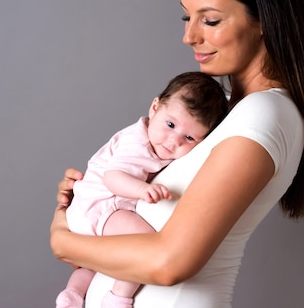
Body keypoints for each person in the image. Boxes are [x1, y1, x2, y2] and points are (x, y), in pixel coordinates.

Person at [50, 0, 304, 307]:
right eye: (187, 17)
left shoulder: (265, 115)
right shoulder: (224, 113)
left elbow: (170, 263)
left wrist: (64, 240)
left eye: (210, 20)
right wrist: (92, 193)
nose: (188, 36)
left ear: (264, 19)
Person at [55, 71, 228, 308]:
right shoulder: (138, 143)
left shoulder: (157, 142)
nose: (173, 141)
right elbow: (113, 177)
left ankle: (73, 294)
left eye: (189, 138)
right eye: (170, 125)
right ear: (155, 107)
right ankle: (117, 298)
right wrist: (141, 190)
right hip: (102, 206)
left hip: (92, 209)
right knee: (144, 245)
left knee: (92, 268)